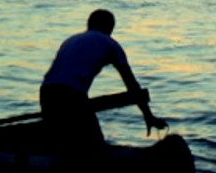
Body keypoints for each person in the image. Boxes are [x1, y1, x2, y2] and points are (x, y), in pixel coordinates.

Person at [40, 9, 166, 151]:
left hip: (46, 92)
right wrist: (148, 116)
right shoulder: (110, 44)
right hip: (71, 95)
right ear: (110, 27)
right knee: (94, 145)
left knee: (60, 141)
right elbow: (131, 84)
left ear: (88, 24)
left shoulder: (70, 40)